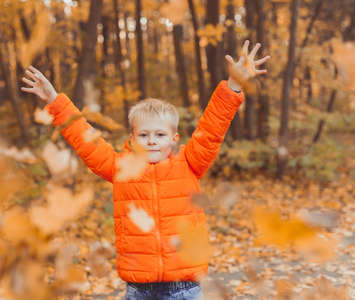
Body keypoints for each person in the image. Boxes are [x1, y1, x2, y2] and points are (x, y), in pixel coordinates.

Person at [21, 40, 269, 300]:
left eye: (160, 134)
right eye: (144, 135)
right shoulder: (120, 167)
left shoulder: (189, 162)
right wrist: (54, 100)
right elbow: (85, 138)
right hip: (139, 289)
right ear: (132, 137)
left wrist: (233, 86)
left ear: (173, 138)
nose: (151, 140)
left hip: (184, 288)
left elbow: (212, 130)